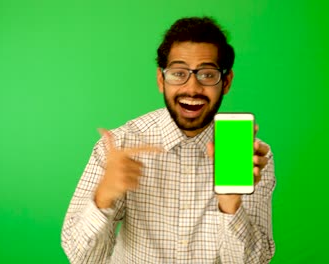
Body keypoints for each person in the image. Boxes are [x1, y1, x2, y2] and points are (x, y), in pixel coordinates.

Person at [61, 16, 276, 264]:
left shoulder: (252, 158)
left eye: (207, 74)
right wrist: (104, 198)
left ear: (226, 82)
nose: (192, 88)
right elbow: (83, 258)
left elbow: (254, 261)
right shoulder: (121, 145)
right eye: (179, 73)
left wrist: (230, 204)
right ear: (161, 80)